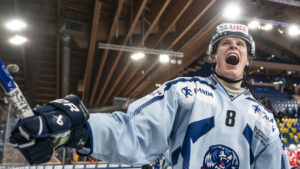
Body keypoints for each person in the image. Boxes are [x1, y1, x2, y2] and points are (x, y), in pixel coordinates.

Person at [8, 23, 289, 168]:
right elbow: (133, 131)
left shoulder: (265, 119)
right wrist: (78, 132)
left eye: (240, 44)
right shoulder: (185, 92)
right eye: (226, 43)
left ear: (247, 59)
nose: (233, 47)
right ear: (214, 55)